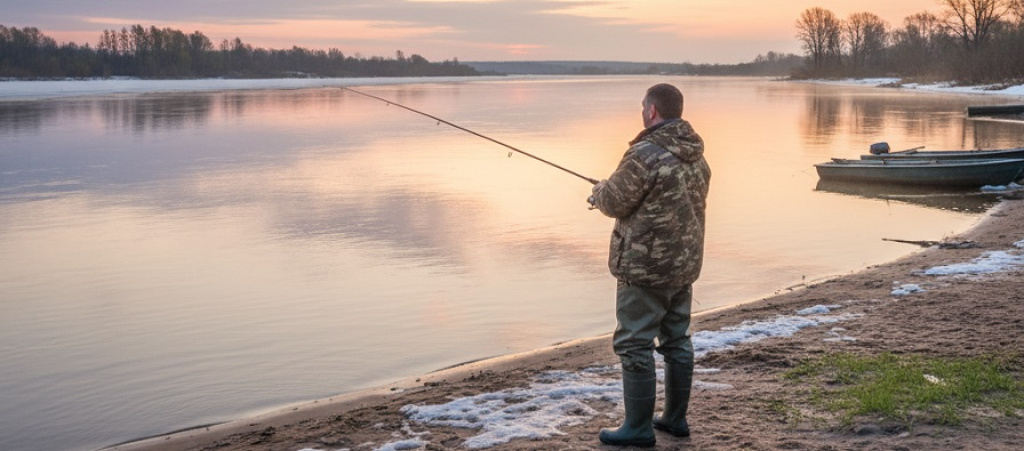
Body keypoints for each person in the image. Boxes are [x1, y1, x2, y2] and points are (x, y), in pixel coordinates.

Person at [588, 83, 711, 447]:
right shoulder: (697, 155)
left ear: (653, 110)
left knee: (634, 344)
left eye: (643, 106)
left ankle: (638, 428)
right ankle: (675, 419)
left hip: (644, 269)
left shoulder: (644, 153)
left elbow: (613, 201)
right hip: (683, 265)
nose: (642, 112)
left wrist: (599, 191)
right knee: (677, 340)